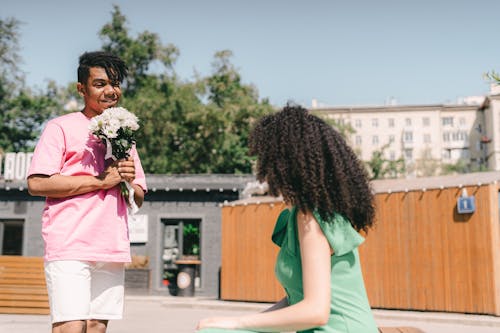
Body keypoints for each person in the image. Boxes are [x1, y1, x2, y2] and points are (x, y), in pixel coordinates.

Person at [196, 104, 378, 333]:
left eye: (268, 159)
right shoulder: (303, 215)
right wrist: (234, 324)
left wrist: (236, 324)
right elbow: (296, 300)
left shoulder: (311, 217)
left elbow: (316, 312)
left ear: (287, 163)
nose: (263, 168)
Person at [27, 51, 147, 333]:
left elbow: (139, 194)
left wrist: (128, 182)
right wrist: (100, 181)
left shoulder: (125, 135)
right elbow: (37, 183)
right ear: (82, 88)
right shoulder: (60, 127)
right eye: (100, 83)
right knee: (71, 326)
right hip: (69, 244)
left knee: (95, 327)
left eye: (115, 84)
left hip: (111, 245)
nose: (110, 91)